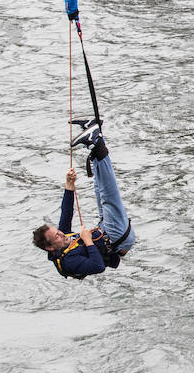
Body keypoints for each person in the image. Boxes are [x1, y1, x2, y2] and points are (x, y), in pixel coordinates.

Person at [32, 120, 135, 279]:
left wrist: (68, 185)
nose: (62, 234)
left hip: (104, 228)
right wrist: (88, 241)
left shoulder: (62, 238)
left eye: (58, 231)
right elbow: (98, 267)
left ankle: (94, 134)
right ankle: (96, 142)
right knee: (108, 195)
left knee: (99, 188)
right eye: (57, 236)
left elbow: (66, 214)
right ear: (50, 248)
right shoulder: (68, 262)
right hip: (118, 237)